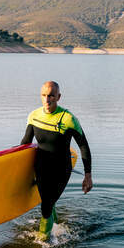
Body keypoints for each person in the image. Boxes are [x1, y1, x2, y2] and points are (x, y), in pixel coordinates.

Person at [21, 81, 93, 238]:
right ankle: (54, 226)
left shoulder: (68, 119)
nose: (47, 100)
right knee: (47, 201)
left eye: (51, 96)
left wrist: (88, 175)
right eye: (44, 96)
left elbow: (84, 146)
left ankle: (43, 241)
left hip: (61, 168)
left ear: (58, 97)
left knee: (46, 205)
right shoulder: (34, 116)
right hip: (40, 167)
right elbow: (25, 143)